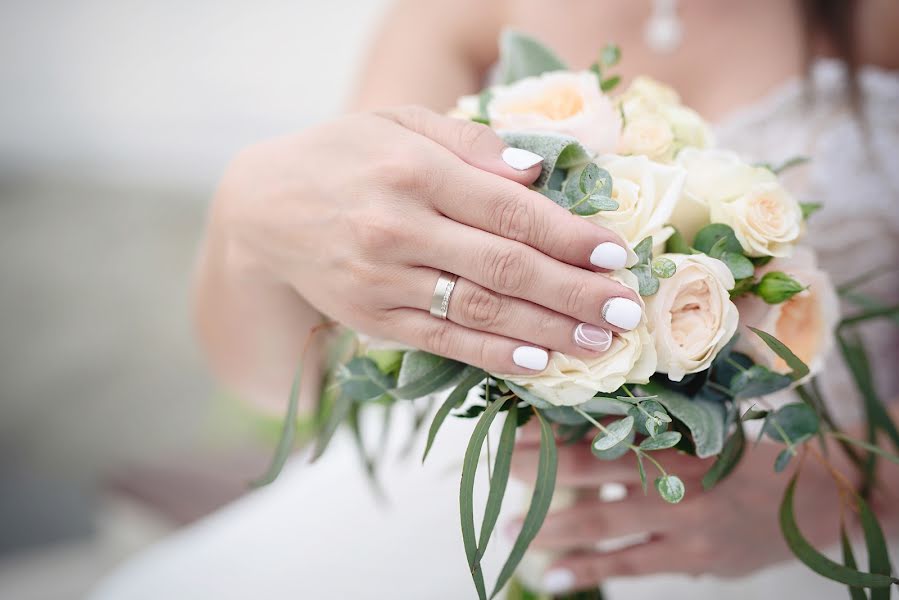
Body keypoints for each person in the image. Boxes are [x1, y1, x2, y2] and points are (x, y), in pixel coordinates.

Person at [95, 0, 899, 597]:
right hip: (440, 506)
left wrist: (839, 492)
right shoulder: (459, 11)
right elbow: (297, 382)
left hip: (784, 542)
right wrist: (245, 226)